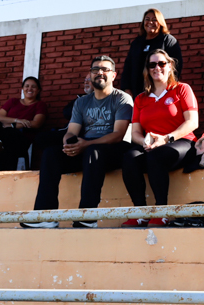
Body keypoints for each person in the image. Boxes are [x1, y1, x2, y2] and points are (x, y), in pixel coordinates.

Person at [23, 56, 132, 229]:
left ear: (113, 75)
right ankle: (45, 215)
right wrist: (69, 144)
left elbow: (118, 134)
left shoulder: (122, 98)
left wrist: (86, 144)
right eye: (95, 69)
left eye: (105, 69)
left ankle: (87, 216)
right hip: (86, 149)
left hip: (113, 150)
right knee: (51, 153)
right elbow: (71, 131)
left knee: (92, 151)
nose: (100, 73)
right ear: (90, 74)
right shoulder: (81, 102)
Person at [121, 50, 198, 228]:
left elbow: (192, 122)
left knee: (156, 156)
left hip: (181, 142)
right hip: (152, 145)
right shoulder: (141, 99)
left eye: (162, 63)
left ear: (170, 66)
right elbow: (135, 133)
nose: (157, 68)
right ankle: (140, 213)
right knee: (130, 157)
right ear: (147, 70)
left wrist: (166, 139)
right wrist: (145, 142)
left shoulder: (182, 89)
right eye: (152, 65)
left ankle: (161, 212)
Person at [0, 76, 47, 171]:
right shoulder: (13, 101)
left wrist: (12, 125)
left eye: (33, 87)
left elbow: (36, 123)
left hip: (20, 138)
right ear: (22, 88)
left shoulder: (40, 105)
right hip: (3, 134)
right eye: (27, 86)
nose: (29, 89)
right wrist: (17, 120)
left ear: (38, 90)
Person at [30, 74, 92, 170]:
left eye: (89, 79)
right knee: (41, 138)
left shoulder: (102, 100)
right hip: (69, 131)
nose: (86, 82)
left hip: (86, 134)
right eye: (85, 80)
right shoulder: (80, 99)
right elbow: (66, 112)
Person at [120, 8, 183, 98]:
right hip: (137, 93)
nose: (150, 22)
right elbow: (128, 67)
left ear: (160, 22)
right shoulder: (137, 43)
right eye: (147, 19)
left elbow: (176, 66)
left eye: (154, 20)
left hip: (160, 92)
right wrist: (126, 88)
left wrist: (168, 87)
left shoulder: (168, 40)